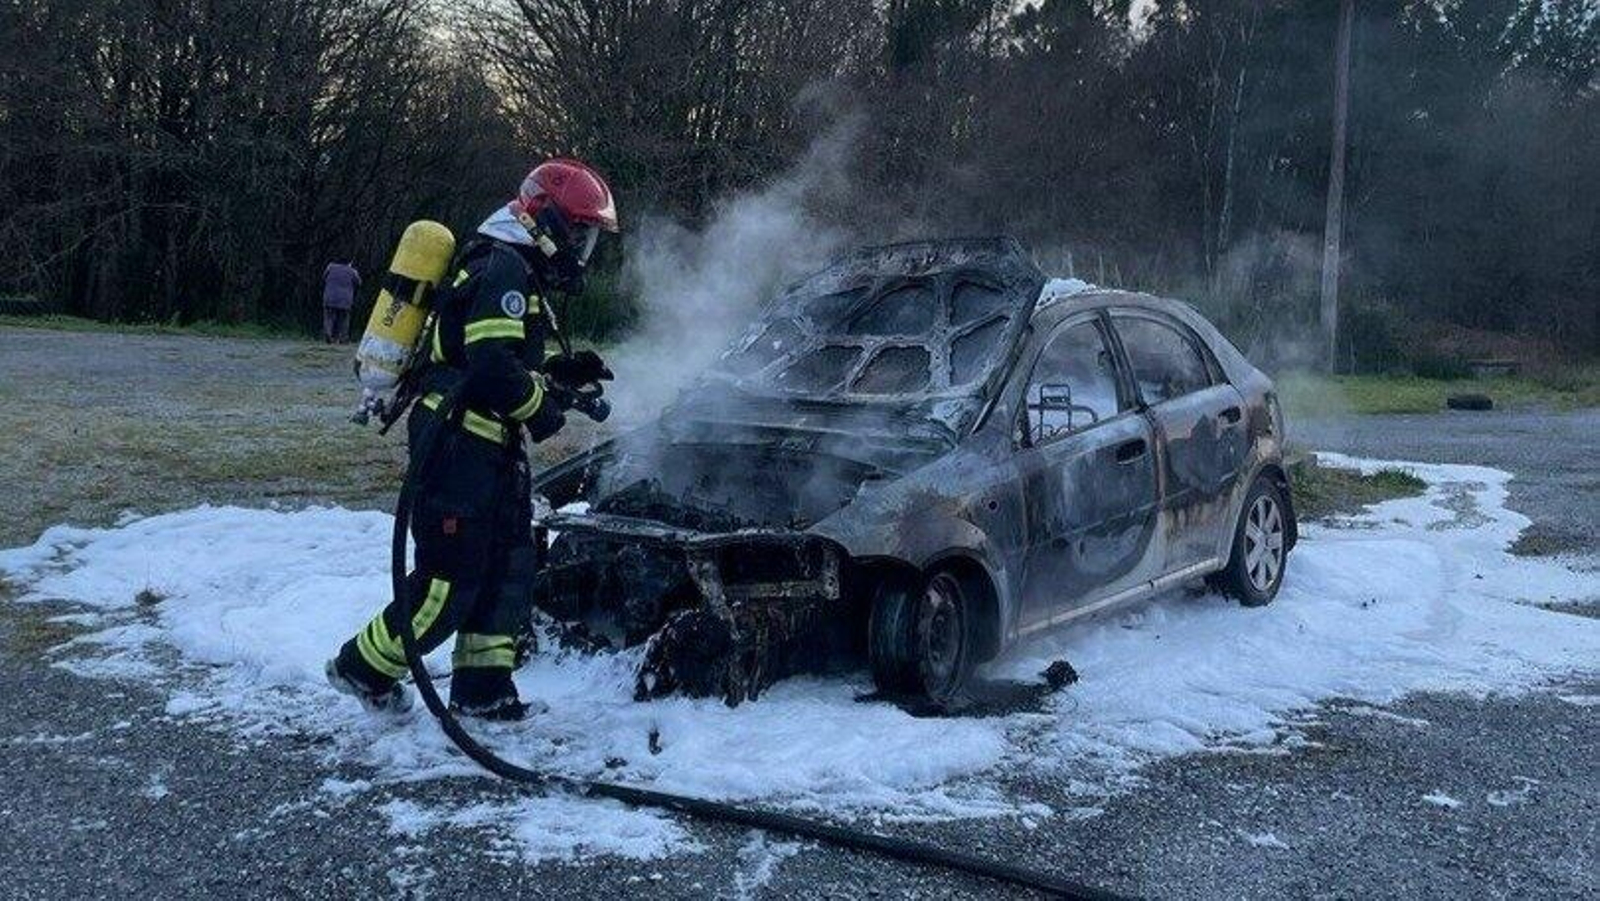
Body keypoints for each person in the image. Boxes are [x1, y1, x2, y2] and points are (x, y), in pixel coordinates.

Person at [325, 158, 619, 720]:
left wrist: (558, 374)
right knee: (451, 581)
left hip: (488, 448)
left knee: (506, 572)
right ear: (547, 221)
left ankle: (484, 693)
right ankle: (361, 668)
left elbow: (496, 358)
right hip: (459, 447)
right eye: (579, 233)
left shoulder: (515, 267)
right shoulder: (502, 267)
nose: (581, 250)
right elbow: (488, 367)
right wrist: (545, 410)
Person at [322, 260, 361, 343]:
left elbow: (324, 278)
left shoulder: (330, 267)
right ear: (349, 262)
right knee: (344, 320)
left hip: (330, 297)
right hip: (345, 300)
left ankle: (328, 334)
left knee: (329, 318)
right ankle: (343, 338)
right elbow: (359, 283)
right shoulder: (353, 271)